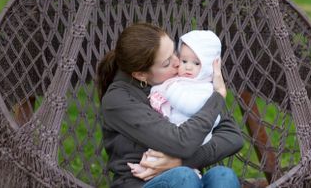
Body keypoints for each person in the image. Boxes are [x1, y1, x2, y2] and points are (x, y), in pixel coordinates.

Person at [97, 23, 244, 188]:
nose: (177, 62)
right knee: (183, 177)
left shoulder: (182, 82)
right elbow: (181, 142)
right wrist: (218, 96)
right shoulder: (118, 100)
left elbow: (233, 136)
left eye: (175, 52)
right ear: (141, 74)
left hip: (189, 177)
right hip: (139, 184)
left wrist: (182, 161)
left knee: (223, 176)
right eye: (166, 63)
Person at [128, 30, 223, 175]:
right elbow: (159, 89)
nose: (187, 67)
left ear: (209, 66)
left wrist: (170, 89)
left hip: (195, 137)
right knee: (159, 149)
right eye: (184, 61)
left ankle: (187, 173)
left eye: (196, 63)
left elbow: (191, 106)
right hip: (175, 132)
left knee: (174, 155)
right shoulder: (181, 81)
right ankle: (148, 166)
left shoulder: (205, 88)